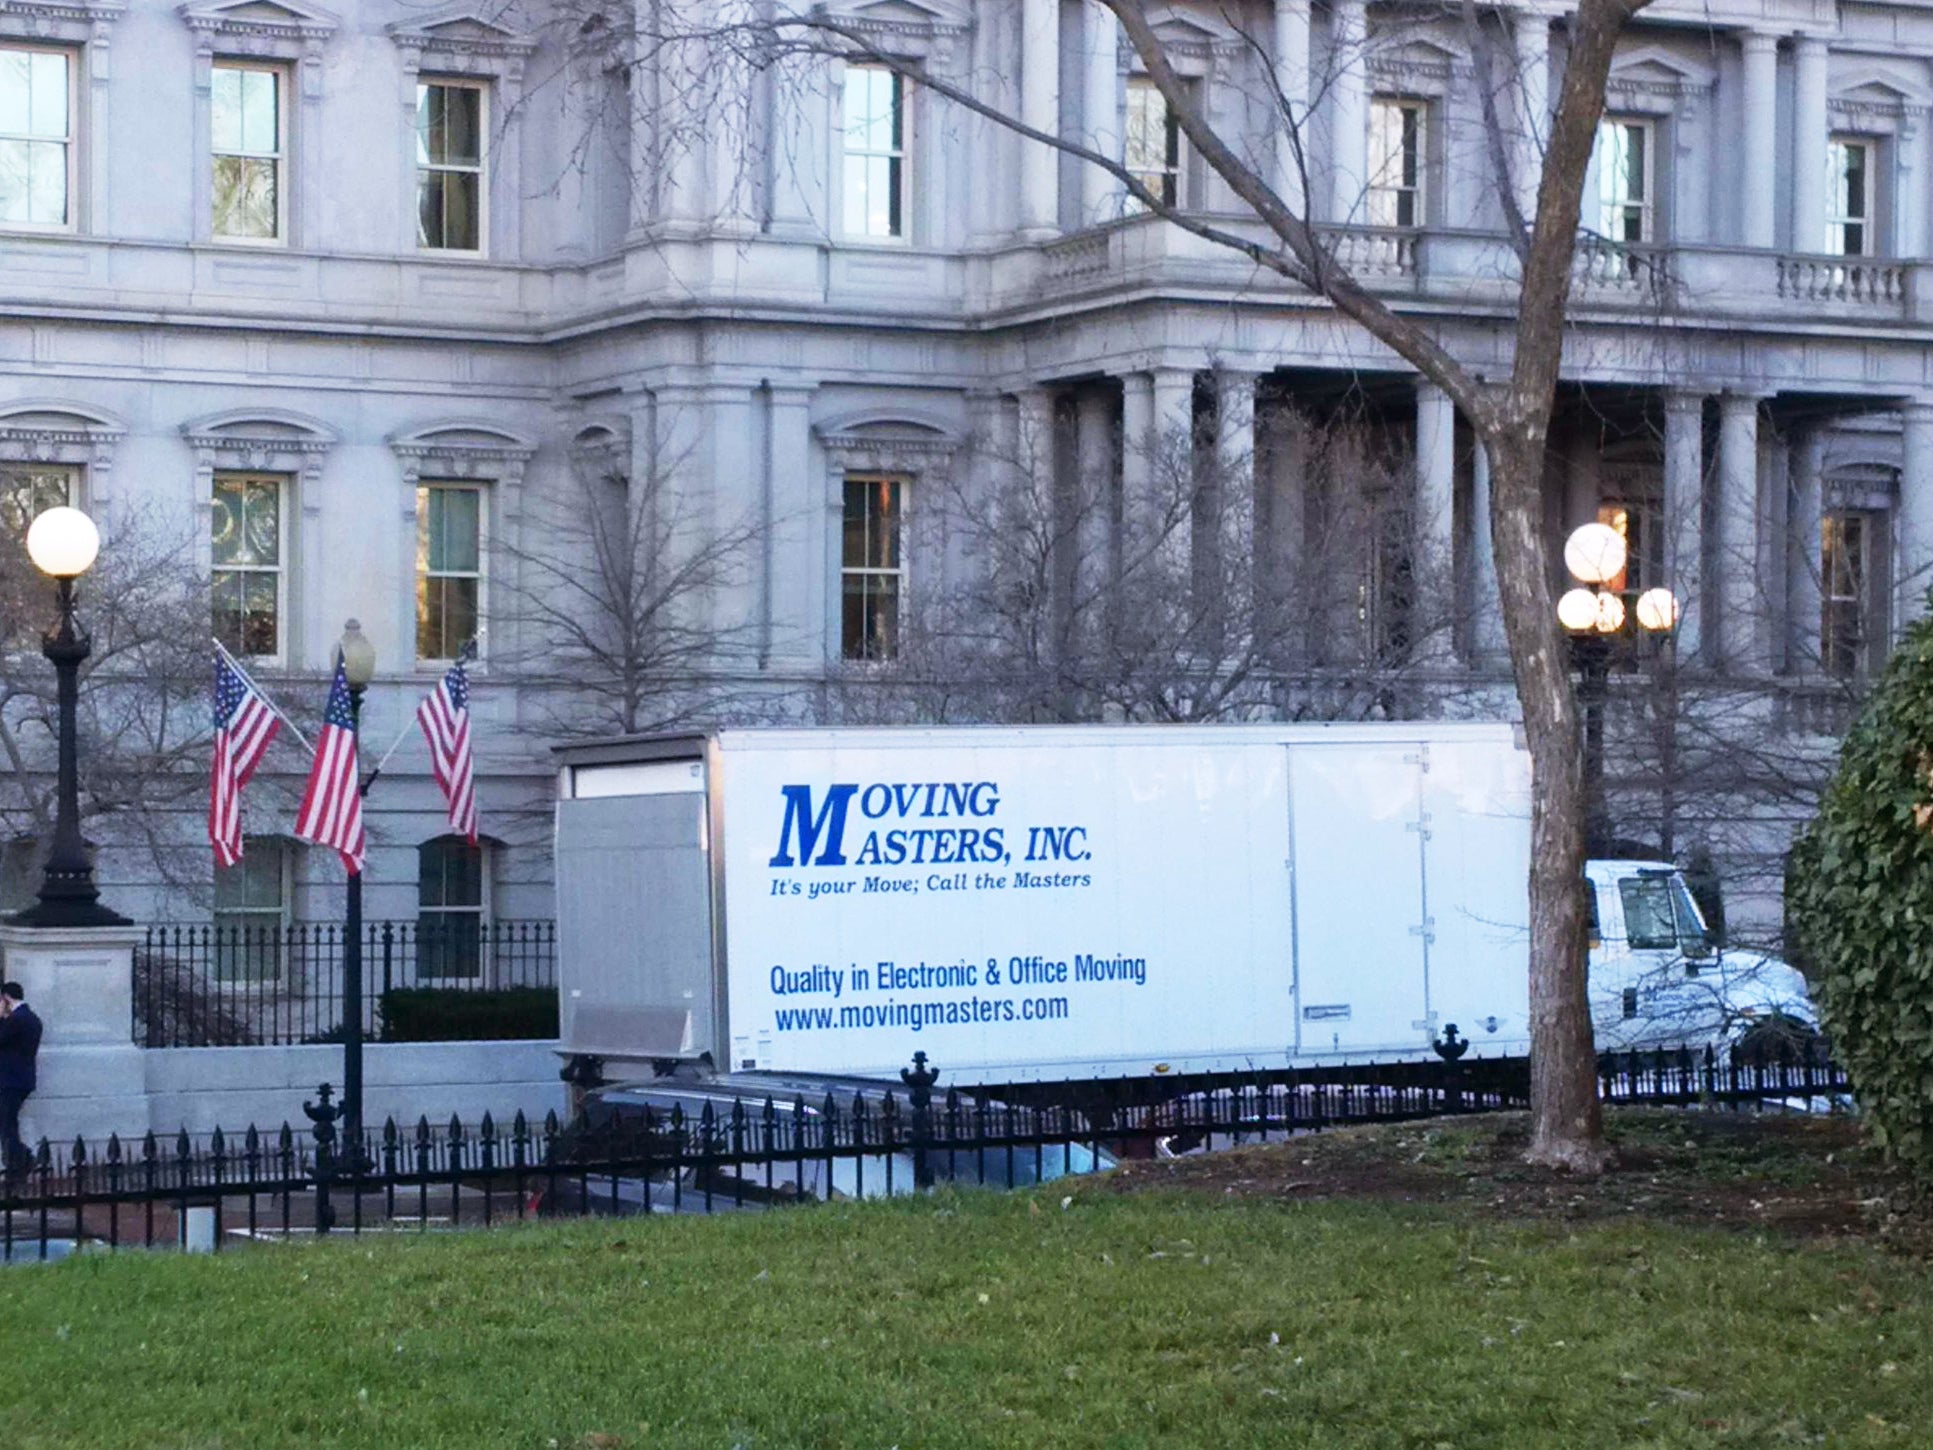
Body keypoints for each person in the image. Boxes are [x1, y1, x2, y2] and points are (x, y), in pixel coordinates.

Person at [0, 982, 42, 1176]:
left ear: (7, 998)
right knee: (9, 1121)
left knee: (6, 1122)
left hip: (10, 1079)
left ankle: (21, 1160)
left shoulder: (16, 1020)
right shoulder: (32, 1018)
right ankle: (18, 1162)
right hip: (22, 1078)